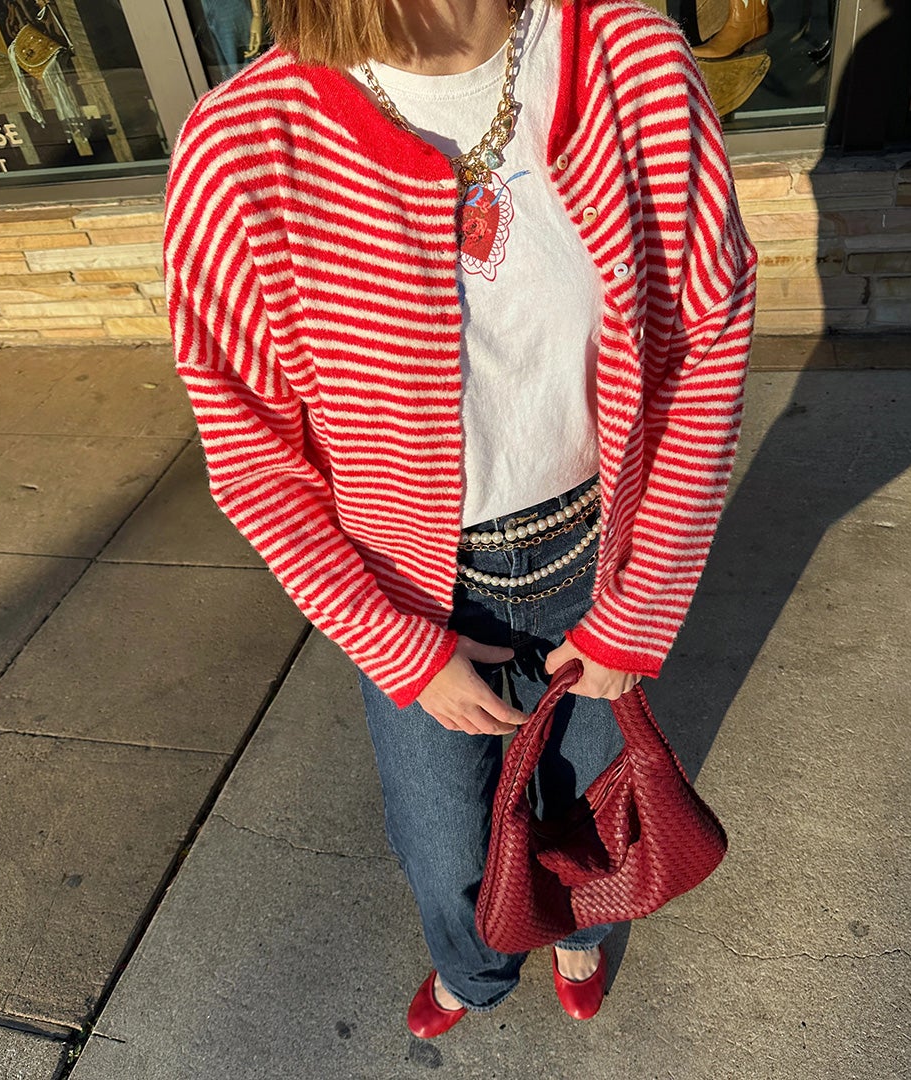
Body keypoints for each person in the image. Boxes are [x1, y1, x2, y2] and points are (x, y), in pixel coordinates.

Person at [164, 0, 756, 1039]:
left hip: (595, 547)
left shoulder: (629, 59)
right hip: (411, 589)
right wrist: (399, 647)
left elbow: (705, 332)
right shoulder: (244, 146)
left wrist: (639, 602)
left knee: (580, 789)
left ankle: (580, 921)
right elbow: (253, 452)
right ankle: (474, 973)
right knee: (443, 842)